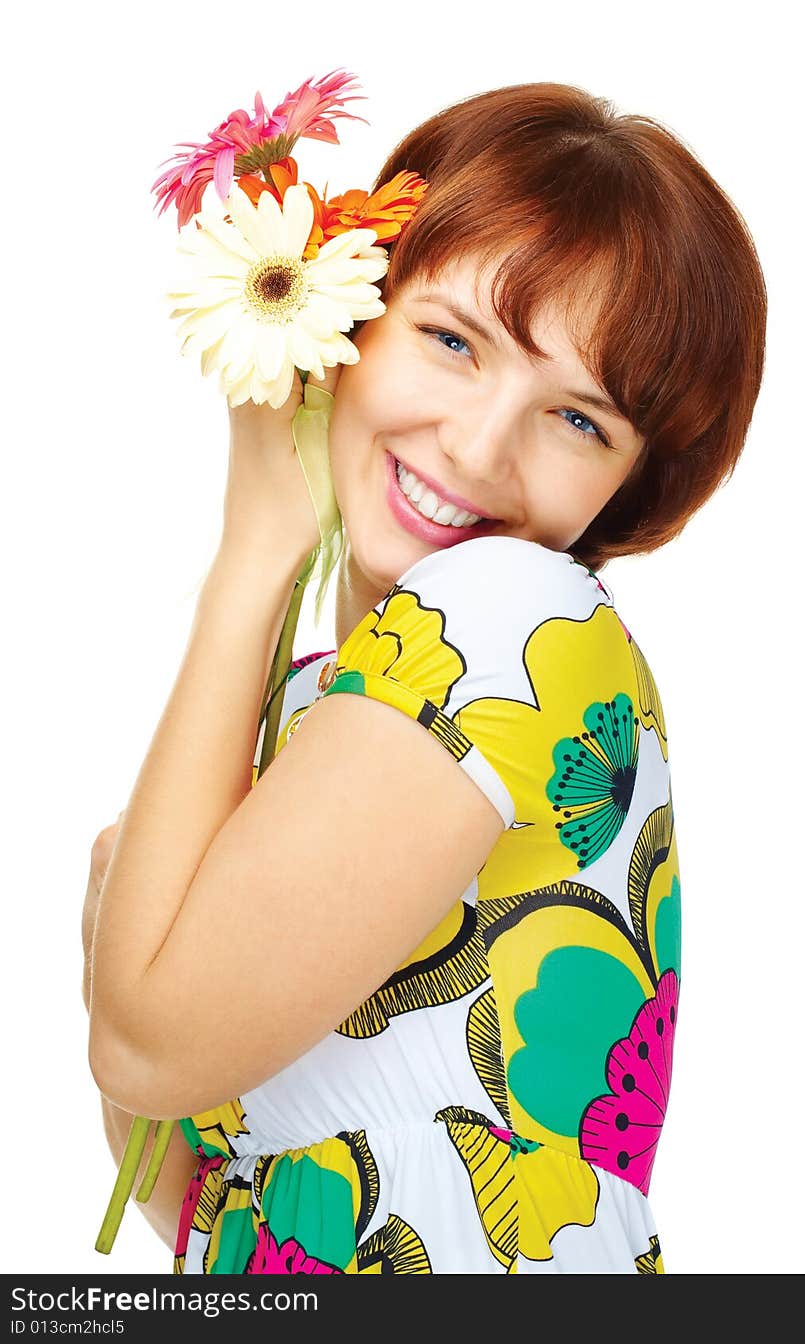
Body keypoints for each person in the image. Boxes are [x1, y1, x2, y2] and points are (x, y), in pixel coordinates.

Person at [82, 80, 766, 1275]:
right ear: (350, 313)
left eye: (579, 421)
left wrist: (253, 549)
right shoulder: (321, 703)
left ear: (628, 489)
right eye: (453, 342)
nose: (478, 444)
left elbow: (144, 1048)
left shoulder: (509, 615)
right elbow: (197, 1203)